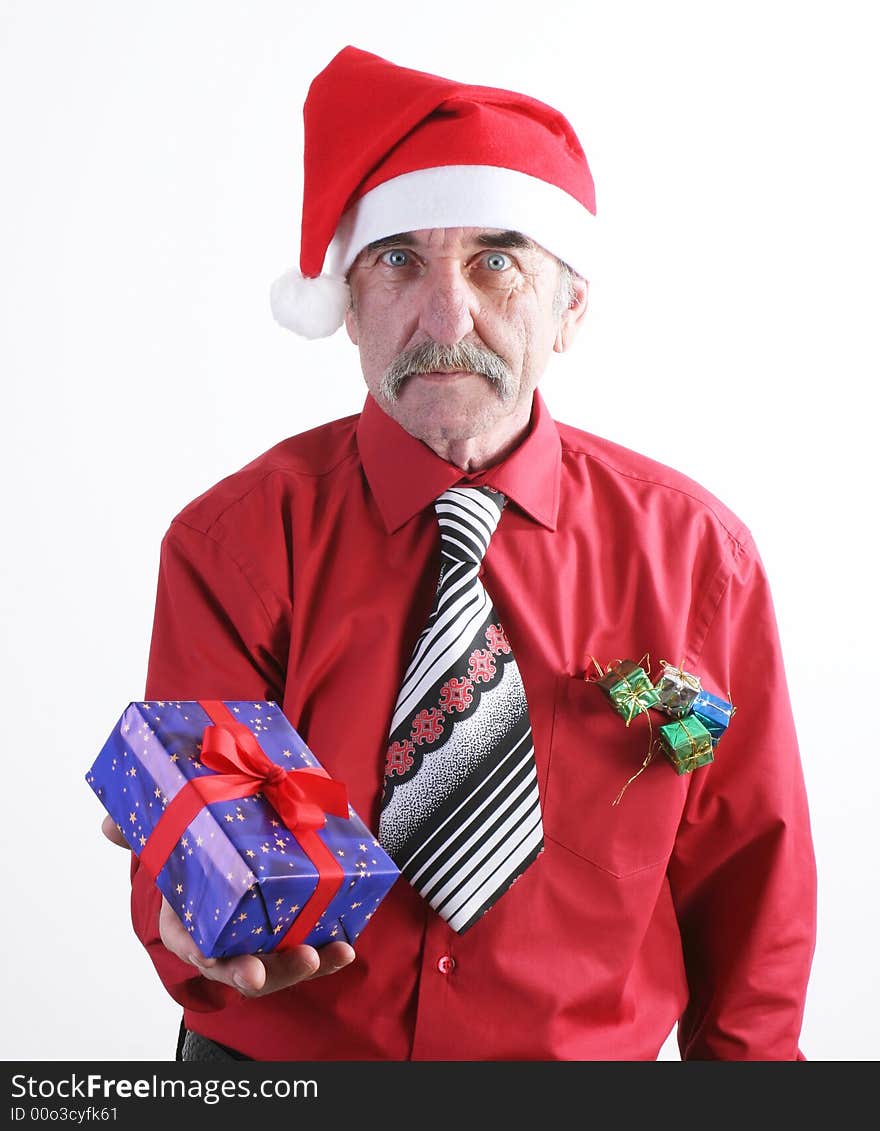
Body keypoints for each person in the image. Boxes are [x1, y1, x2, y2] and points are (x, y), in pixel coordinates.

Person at [102, 44, 817, 1061]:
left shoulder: (699, 558)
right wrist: (185, 913)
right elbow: (193, 814)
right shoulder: (233, 543)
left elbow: (749, 876)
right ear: (346, 302)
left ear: (569, 304)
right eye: (398, 260)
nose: (446, 318)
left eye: (496, 259)